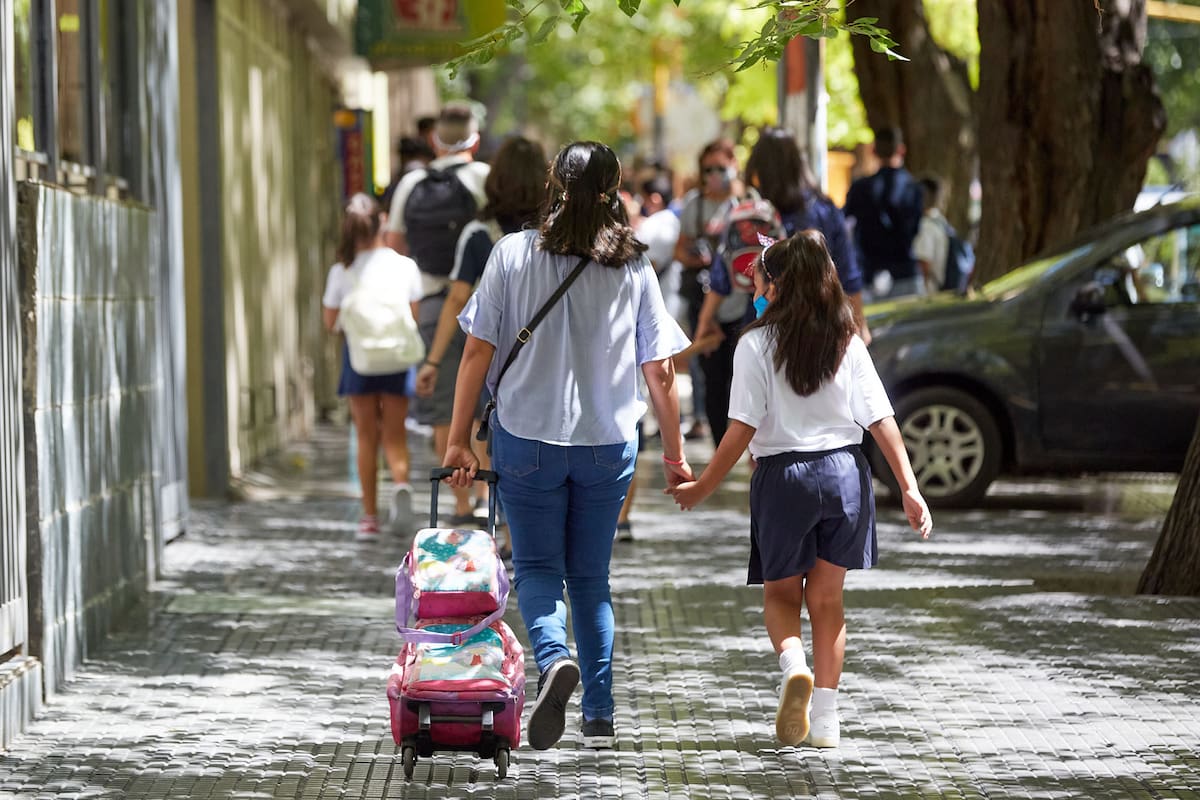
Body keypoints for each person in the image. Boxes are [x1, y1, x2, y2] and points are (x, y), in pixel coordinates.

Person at [441, 141, 693, 751]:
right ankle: (600, 715)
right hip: (609, 443)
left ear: (555, 184)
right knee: (590, 577)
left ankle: (554, 660)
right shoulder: (633, 265)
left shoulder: (512, 254)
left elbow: (477, 351)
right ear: (613, 193)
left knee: (535, 569)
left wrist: (458, 440)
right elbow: (658, 370)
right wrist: (677, 455)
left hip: (525, 437)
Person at [667, 230, 932, 749]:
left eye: (759, 281)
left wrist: (702, 487)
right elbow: (881, 420)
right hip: (845, 477)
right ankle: (827, 721)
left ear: (779, 284)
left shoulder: (755, 344)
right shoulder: (847, 339)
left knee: (782, 593)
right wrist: (910, 486)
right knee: (828, 600)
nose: (754, 291)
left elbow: (741, 427)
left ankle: (794, 668)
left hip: (784, 479)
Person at [415, 136, 548, 531]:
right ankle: (509, 516)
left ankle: (473, 507)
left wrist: (434, 360)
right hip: (534, 348)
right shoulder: (553, 232)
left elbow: (457, 298)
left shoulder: (479, 232)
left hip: (482, 343)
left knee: (473, 420)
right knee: (513, 427)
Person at [386, 103, 490, 523]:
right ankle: (485, 496)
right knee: (485, 405)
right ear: (475, 140)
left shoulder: (411, 183)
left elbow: (395, 243)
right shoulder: (484, 179)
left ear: (434, 140)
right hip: (485, 306)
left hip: (432, 304)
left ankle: (460, 503)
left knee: (446, 408)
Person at [322, 194, 424, 541]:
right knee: (395, 434)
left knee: (366, 435)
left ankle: (368, 516)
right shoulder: (405, 266)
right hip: (396, 358)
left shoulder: (342, 271)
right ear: (382, 222)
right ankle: (400, 484)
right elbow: (414, 316)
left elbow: (330, 321)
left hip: (360, 360)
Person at [673, 139, 746, 445]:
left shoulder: (747, 204)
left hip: (745, 304)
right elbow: (680, 250)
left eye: (721, 167)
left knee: (743, 376)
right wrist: (701, 260)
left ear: (734, 166)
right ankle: (722, 447)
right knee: (713, 378)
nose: (714, 175)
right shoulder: (695, 205)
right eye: (708, 169)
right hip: (706, 305)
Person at [842, 127, 925, 301]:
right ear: (901, 150)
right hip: (905, 272)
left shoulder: (860, 189)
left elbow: (844, 225)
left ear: (873, 151)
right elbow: (915, 229)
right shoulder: (913, 189)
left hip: (870, 274)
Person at [913, 177, 951, 295]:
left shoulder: (925, 226)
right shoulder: (941, 221)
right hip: (941, 287)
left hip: (929, 291)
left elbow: (923, 263)